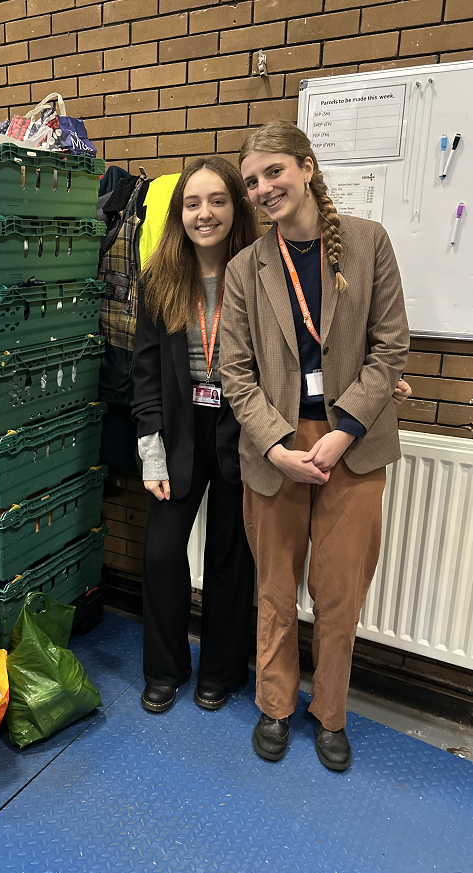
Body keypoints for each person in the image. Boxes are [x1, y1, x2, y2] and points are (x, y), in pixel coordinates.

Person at [218, 121, 410, 771]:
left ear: (306, 167)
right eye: (252, 181)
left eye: (273, 171)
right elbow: (234, 371)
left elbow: (390, 347)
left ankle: (330, 714)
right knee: (275, 592)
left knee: (338, 595)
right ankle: (274, 705)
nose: (263, 188)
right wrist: (275, 446)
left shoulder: (367, 242)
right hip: (275, 448)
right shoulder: (245, 268)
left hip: (351, 445)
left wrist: (344, 429)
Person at [131, 156, 259, 714]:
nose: (204, 213)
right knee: (162, 553)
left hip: (241, 427)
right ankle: (166, 668)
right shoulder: (160, 278)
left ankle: (222, 670)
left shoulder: (260, 274)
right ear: (179, 213)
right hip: (179, 428)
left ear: (236, 208)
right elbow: (144, 370)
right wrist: (151, 451)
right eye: (192, 203)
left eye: (217, 201)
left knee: (231, 555)